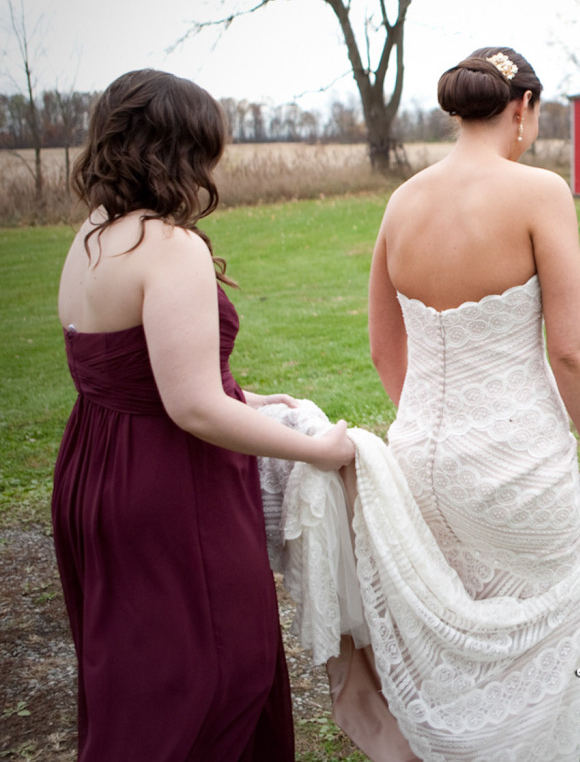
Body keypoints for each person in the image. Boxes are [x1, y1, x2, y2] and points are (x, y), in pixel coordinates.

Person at [303, 46, 580, 761]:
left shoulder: (402, 202)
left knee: (456, 619)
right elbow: (572, 350)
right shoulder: (541, 192)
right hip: (519, 461)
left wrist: (426, 428)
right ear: (523, 108)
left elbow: (386, 349)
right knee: (553, 599)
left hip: (419, 459)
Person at [52, 69, 355, 761]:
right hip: (170, 488)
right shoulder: (169, 245)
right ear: (180, 150)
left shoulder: (91, 236)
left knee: (135, 673)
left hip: (93, 470)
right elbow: (190, 406)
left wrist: (247, 400)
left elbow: (138, 375)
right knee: (221, 666)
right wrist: (316, 448)